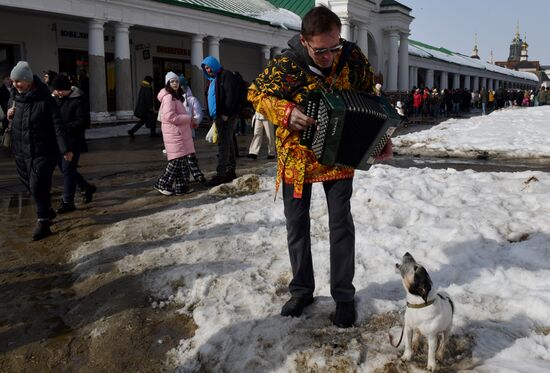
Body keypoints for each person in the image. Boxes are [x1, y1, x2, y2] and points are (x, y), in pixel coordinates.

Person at [248, 6, 392, 328]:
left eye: (334, 46)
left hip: (340, 155)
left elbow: (370, 94)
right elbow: (256, 94)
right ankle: (301, 291)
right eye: (321, 50)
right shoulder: (287, 64)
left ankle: (343, 296)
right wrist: (285, 112)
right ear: (304, 41)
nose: (329, 56)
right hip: (297, 158)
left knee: (341, 225)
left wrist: (382, 136)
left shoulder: (351, 57)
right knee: (296, 225)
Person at [7, 61, 73, 240]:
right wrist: (9, 115)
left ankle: (43, 222)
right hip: (20, 151)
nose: (15, 85)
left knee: (37, 185)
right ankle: (48, 210)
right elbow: (12, 117)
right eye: (13, 81)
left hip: (43, 150)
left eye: (19, 81)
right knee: (30, 184)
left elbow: (58, 125)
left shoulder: (45, 99)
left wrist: (65, 149)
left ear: (28, 80)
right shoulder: (14, 96)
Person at [51, 74, 96, 213]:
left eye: (60, 90)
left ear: (67, 88)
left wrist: (63, 126)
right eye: (56, 89)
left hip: (73, 141)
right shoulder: (56, 100)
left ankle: (68, 201)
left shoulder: (78, 100)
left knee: (68, 171)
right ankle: (86, 187)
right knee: (67, 170)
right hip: (58, 141)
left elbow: (83, 122)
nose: (58, 92)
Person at [153, 72, 196, 196]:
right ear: (168, 83)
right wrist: (187, 118)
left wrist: (189, 121)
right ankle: (162, 183)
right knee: (176, 161)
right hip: (174, 134)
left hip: (178, 133)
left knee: (182, 162)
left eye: (176, 81)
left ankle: (181, 187)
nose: (175, 83)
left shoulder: (174, 96)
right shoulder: (169, 97)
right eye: (172, 82)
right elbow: (170, 116)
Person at [201, 56, 241, 186]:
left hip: (226, 116)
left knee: (223, 144)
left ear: (214, 65)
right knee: (228, 143)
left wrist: (226, 113)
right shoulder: (213, 80)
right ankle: (230, 171)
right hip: (218, 117)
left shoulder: (225, 75)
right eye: (205, 68)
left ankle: (221, 174)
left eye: (209, 67)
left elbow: (231, 95)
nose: (208, 70)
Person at [179, 73, 207, 184]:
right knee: (178, 157)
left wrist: (194, 121)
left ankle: (197, 174)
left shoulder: (191, 100)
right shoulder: (172, 99)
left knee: (190, 154)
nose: (180, 88)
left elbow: (198, 113)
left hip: (188, 131)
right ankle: (183, 177)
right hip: (175, 133)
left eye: (181, 85)